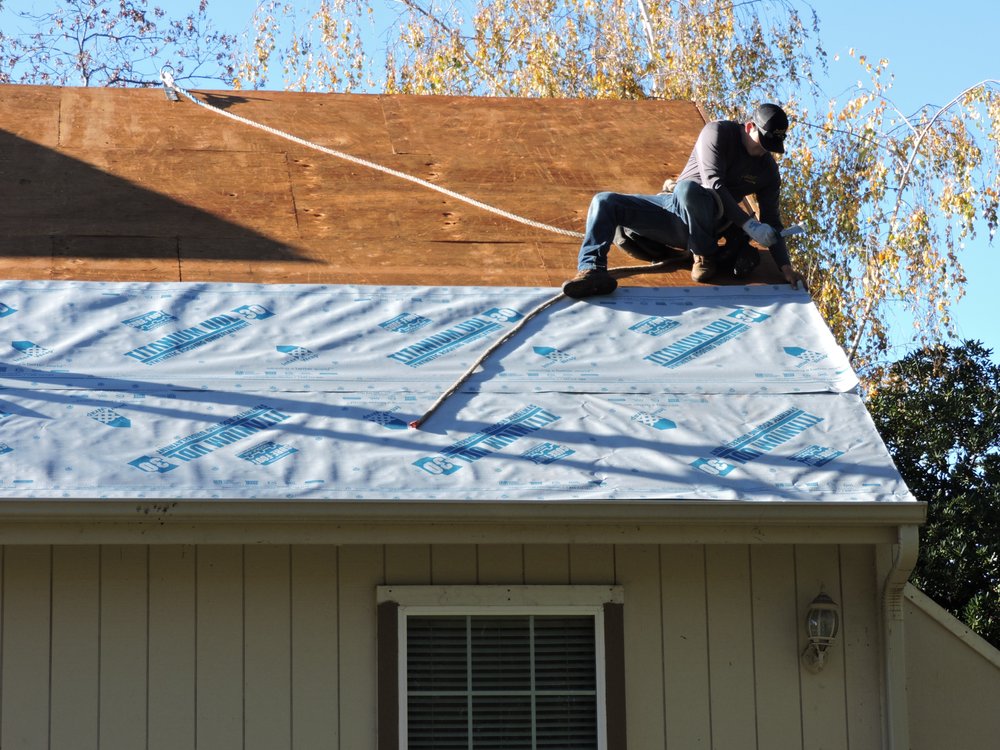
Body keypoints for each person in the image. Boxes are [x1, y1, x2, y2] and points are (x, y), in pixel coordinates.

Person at [561, 103, 807, 298]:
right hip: (675, 211)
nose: (764, 150)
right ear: (749, 126)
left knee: (689, 192)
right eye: (763, 141)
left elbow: (773, 222)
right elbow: (713, 182)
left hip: (712, 225)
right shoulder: (718, 131)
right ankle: (591, 270)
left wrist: (785, 268)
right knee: (605, 202)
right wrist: (749, 225)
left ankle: (704, 255)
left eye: (771, 146)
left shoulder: (768, 172)